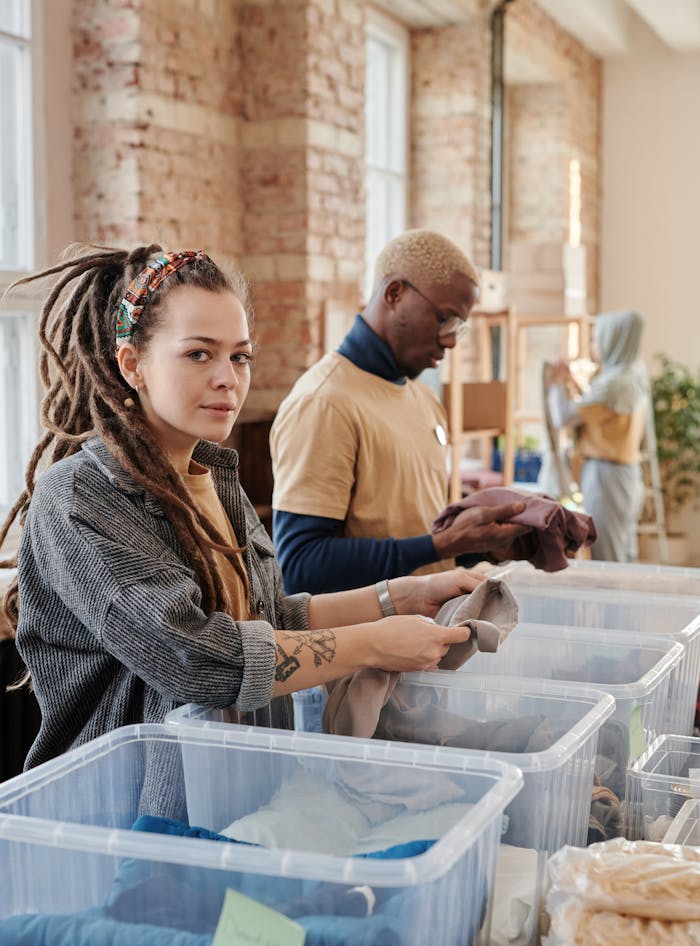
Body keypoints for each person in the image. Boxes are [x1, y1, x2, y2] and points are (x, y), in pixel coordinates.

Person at [0, 245, 488, 772]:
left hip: (234, 788)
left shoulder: (217, 480)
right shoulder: (78, 499)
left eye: (239, 355)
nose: (227, 378)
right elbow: (196, 658)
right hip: (130, 811)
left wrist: (398, 598)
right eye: (198, 354)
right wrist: (372, 643)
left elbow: (268, 618)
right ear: (132, 364)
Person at [269, 229, 531, 594]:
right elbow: (301, 567)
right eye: (445, 319)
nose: (451, 340)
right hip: (362, 646)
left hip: (422, 637)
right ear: (395, 293)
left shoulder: (424, 401)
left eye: (459, 327)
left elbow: (415, 547)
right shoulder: (325, 402)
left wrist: (484, 542)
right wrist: (441, 544)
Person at [548, 309, 649, 562]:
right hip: (623, 473)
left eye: (597, 338)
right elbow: (600, 412)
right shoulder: (633, 374)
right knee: (622, 551)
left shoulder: (614, 383)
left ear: (612, 339)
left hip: (607, 475)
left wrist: (558, 383)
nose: (594, 345)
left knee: (608, 552)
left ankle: (615, 602)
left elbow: (564, 418)